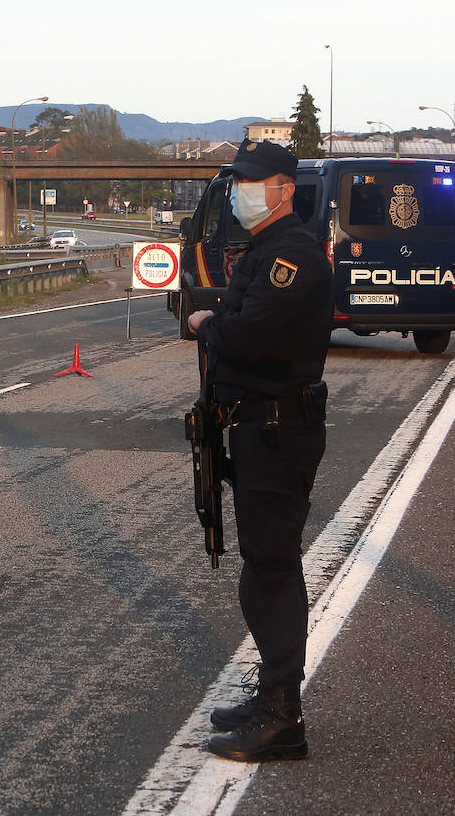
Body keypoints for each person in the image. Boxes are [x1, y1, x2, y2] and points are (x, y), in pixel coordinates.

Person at [187, 138, 332, 762]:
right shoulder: (266, 249)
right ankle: (271, 691)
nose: (243, 192)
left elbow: (246, 335)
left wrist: (204, 326)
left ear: (283, 189)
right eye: (239, 182)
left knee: (272, 567)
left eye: (253, 182)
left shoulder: (291, 255)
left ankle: (282, 717)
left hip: (277, 430)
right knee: (262, 563)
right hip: (258, 428)